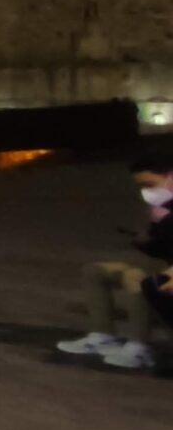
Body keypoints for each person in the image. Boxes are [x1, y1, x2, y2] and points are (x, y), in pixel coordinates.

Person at [57, 154, 173, 371]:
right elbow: (161, 247)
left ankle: (140, 347)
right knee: (95, 271)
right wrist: (143, 242)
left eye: (149, 184)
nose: (146, 192)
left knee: (135, 277)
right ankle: (102, 335)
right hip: (165, 263)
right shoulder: (162, 208)